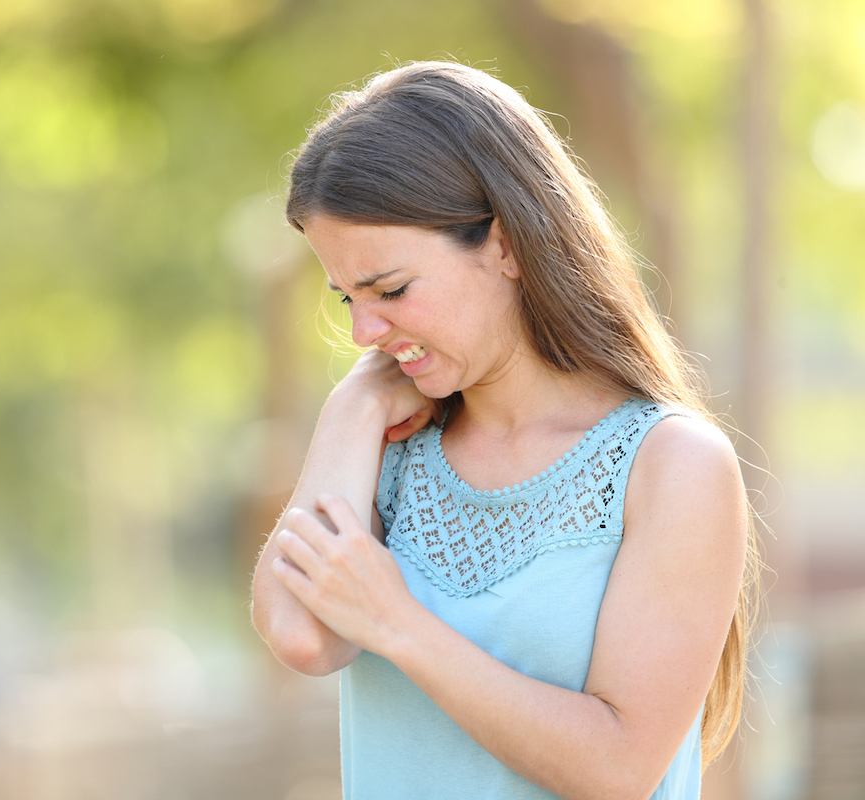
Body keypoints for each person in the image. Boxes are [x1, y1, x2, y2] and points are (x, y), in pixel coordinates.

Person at [249, 61, 756, 800]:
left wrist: (399, 626)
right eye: (346, 297)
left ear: (507, 243)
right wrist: (353, 407)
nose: (363, 330)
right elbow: (303, 635)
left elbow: (618, 767)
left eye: (389, 290)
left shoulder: (670, 464)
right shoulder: (388, 447)